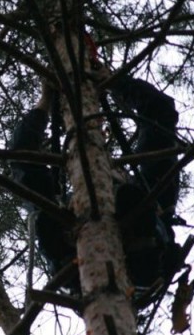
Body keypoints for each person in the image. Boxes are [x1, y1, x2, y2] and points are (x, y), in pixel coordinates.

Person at [10, 69, 182, 296]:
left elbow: (160, 112)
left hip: (139, 264)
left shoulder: (152, 193)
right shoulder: (153, 195)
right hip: (80, 261)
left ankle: (136, 246)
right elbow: (23, 158)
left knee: (133, 198)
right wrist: (45, 101)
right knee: (46, 216)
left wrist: (109, 79)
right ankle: (76, 255)